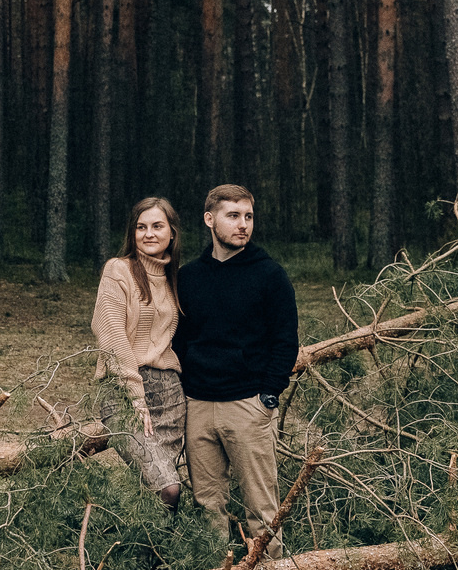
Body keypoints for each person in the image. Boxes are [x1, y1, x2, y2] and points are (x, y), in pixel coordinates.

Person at [173, 184, 300, 546]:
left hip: (248, 405)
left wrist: (268, 397)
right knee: (207, 505)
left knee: (261, 507)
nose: (243, 225)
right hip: (198, 404)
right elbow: (181, 339)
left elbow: (285, 341)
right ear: (210, 220)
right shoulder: (190, 277)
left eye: (248, 217)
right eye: (233, 216)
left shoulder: (270, 275)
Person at [90, 196, 187, 506]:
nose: (148, 234)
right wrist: (135, 396)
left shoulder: (175, 278)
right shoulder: (118, 270)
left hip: (170, 394)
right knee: (167, 487)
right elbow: (111, 333)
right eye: (140, 227)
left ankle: (152, 551)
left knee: (160, 487)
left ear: (172, 233)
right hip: (124, 392)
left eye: (157, 226)